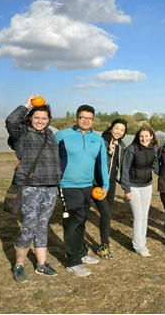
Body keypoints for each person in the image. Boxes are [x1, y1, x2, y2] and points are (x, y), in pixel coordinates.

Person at [5, 94, 61, 283]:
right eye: (36, 117)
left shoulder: (50, 134)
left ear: (48, 120)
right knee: (28, 227)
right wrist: (27, 105)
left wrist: (57, 178)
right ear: (30, 117)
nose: (40, 121)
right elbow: (11, 121)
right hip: (30, 187)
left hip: (50, 187)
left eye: (44, 118)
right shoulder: (22, 132)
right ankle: (19, 265)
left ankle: (41, 264)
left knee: (42, 226)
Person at [55, 105, 109, 277]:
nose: (86, 121)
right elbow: (48, 156)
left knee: (82, 219)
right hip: (68, 185)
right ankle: (73, 262)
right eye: (82, 117)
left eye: (89, 118)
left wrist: (105, 185)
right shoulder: (62, 135)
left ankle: (81, 252)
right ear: (76, 119)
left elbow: (102, 164)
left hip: (88, 186)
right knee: (73, 222)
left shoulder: (97, 139)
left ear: (93, 120)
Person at [120, 126, 159, 257]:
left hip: (147, 185)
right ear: (138, 137)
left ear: (151, 137)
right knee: (138, 216)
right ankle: (138, 246)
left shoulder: (153, 148)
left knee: (145, 215)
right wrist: (127, 189)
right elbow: (124, 169)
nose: (144, 139)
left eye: (146, 136)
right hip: (133, 186)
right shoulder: (131, 149)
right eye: (141, 136)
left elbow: (155, 166)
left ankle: (142, 242)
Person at [94, 119, 127, 260]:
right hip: (97, 183)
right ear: (111, 128)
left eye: (122, 130)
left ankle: (103, 243)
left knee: (106, 215)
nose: (118, 131)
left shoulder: (121, 145)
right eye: (116, 128)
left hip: (111, 183)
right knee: (106, 213)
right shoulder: (101, 140)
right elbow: (95, 160)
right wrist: (108, 152)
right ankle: (104, 245)